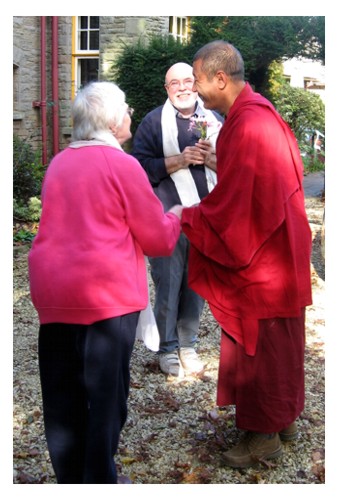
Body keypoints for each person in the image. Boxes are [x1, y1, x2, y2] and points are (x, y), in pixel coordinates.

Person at [28, 81, 183, 484]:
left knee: (63, 398)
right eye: (126, 109)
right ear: (113, 122)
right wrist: (179, 214)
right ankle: (100, 481)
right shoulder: (123, 165)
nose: (130, 114)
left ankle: (71, 481)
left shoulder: (59, 162)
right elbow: (157, 239)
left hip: (55, 294)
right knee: (106, 398)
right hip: (106, 298)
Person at [180, 41, 312, 468]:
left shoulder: (250, 122)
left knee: (259, 342)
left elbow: (238, 205)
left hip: (263, 255)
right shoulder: (258, 113)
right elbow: (257, 182)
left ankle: (262, 437)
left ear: (220, 78)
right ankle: (283, 417)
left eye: (198, 81)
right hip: (281, 246)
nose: (196, 90)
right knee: (282, 341)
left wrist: (190, 217)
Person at [132, 62, 223, 377]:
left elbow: (236, 166)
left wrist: (211, 157)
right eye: (175, 83)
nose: (183, 88)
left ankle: (188, 345)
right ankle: (167, 348)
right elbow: (140, 168)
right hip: (167, 217)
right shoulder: (153, 122)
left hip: (207, 216)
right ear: (166, 88)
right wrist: (180, 160)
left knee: (197, 285)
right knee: (168, 283)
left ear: (197, 84)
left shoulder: (215, 119)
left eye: (188, 81)